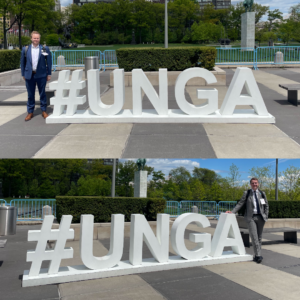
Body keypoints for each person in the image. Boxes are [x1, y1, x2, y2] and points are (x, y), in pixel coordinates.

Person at [226, 177, 269, 264]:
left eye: (256, 183)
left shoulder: (262, 193)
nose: (254, 184)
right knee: (254, 237)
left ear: (258, 184)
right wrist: (233, 211)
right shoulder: (247, 193)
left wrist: (265, 215)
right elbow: (240, 203)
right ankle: (258, 255)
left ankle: (258, 254)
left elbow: (266, 205)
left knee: (259, 237)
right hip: (251, 218)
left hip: (261, 218)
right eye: (253, 183)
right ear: (250, 184)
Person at [21, 31, 52, 121]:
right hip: (29, 75)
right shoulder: (26, 49)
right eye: (34, 38)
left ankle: (44, 110)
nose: (36, 40)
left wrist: (49, 73)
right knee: (30, 94)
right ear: (31, 38)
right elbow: (22, 62)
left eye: (37, 38)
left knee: (42, 93)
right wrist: (23, 74)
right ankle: (30, 112)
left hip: (41, 75)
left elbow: (49, 62)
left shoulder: (44, 48)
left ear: (39, 39)